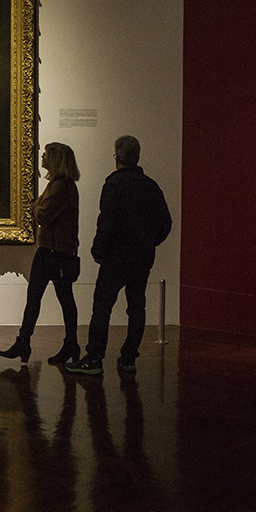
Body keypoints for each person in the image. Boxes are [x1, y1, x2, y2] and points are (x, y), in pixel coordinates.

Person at [67, 136, 171, 376]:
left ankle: (94, 358)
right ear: (137, 157)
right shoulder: (150, 186)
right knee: (136, 306)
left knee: (102, 306)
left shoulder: (114, 184)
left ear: (118, 158)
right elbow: (165, 223)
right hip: (142, 256)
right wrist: (149, 242)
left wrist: (98, 250)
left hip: (116, 256)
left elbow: (106, 221)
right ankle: (129, 358)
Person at [0, 143, 82, 364]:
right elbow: (39, 208)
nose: (42, 157)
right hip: (53, 250)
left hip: (56, 252)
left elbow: (41, 214)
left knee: (54, 299)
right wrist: (38, 206)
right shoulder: (58, 185)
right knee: (47, 298)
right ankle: (28, 342)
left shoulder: (60, 187)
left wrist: (36, 207)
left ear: (55, 160)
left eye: (46, 154)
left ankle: (38, 343)